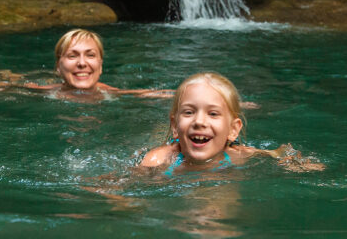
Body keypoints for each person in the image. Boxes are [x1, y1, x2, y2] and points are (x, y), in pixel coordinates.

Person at [138, 72, 324, 174]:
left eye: (213, 113)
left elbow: (277, 153)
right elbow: (126, 182)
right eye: (189, 112)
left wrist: (294, 161)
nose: (199, 121)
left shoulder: (238, 155)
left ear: (233, 130)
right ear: (175, 126)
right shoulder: (159, 159)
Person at [0, 28, 172, 107]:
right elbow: (1, 87)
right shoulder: (45, 91)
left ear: (101, 66)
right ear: (58, 67)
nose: (82, 63)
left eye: (90, 55)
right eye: (72, 56)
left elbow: (148, 94)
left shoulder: (110, 93)